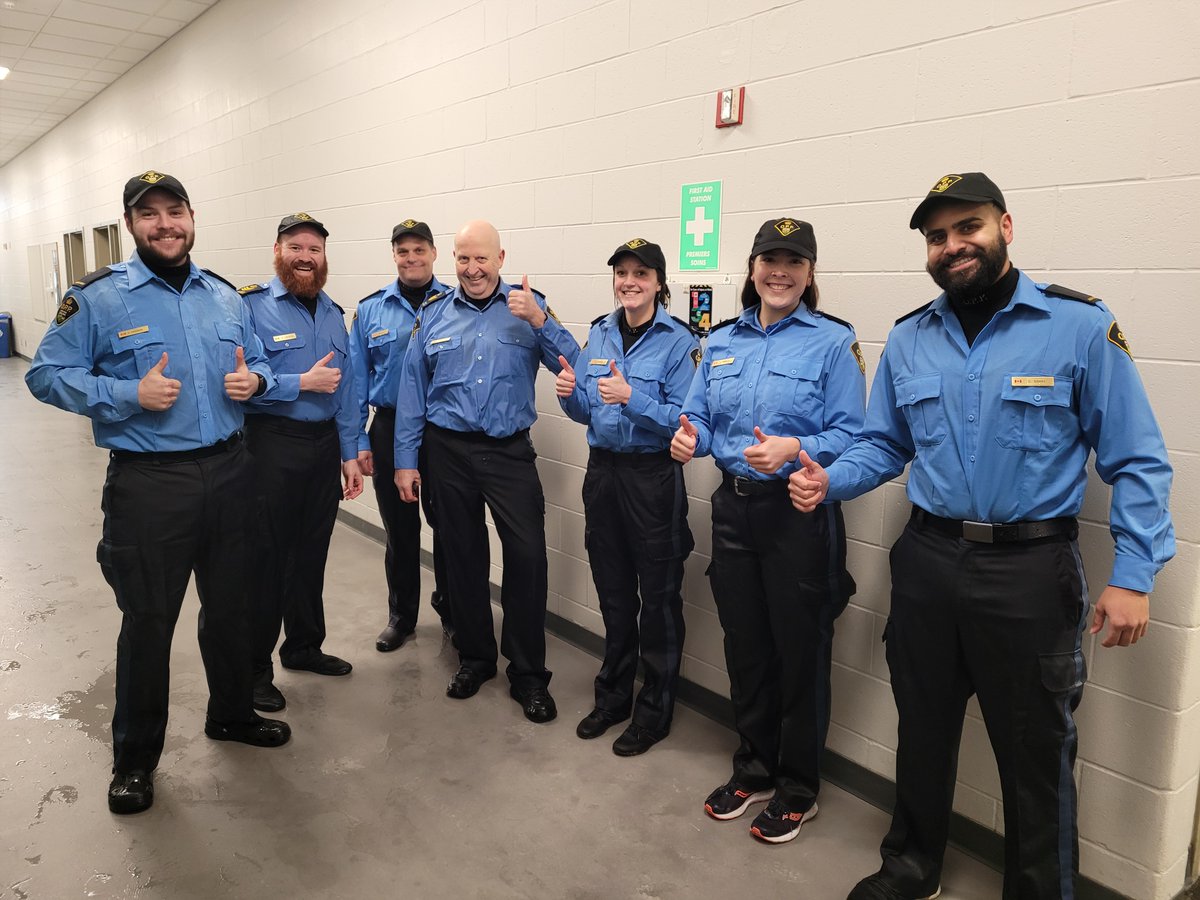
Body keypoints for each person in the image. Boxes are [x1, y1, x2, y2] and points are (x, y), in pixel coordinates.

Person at [788, 173, 1175, 900]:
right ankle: (910, 865)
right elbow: (882, 444)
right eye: (937, 236)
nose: (952, 245)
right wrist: (829, 480)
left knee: (1036, 751)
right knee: (922, 727)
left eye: (968, 227)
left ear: (1005, 226)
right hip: (928, 559)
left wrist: (1133, 573)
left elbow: (1139, 458)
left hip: (1030, 570)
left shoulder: (1079, 327)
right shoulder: (908, 339)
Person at [25, 170, 292, 816]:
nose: (165, 224)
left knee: (232, 610)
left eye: (175, 211)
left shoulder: (226, 297)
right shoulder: (99, 299)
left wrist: (254, 383)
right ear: (131, 226)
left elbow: (260, 362)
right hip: (150, 485)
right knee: (148, 623)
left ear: (193, 217)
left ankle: (230, 715)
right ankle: (136, 759)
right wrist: (126, 395)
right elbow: (44, 373)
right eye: (150, 215)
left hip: (231, 473)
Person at [671, 217, 865, 844]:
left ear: (810, 275)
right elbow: (698, 412)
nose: (779, 273)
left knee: (800, 651)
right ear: (752, 269)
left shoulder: (835, 343)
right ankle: (753, 767)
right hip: (733, 510)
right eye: (768, 261)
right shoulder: (722, 339)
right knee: (746, 643)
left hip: (798, 513)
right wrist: (688, 435)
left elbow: (853, 435)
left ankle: (799, 788)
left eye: (794, 263)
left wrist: (795, 447)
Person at [393, 220, 580, 723]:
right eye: (462, 259)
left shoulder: (528, 305)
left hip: (508, 452)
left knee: (527, 559)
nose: (472, 269)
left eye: (481, 259)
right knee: (462, 559)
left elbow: (575, 366)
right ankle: (475, 658)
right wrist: (406, 461)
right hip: (447, 450)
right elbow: (412, 392)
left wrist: (541, 321)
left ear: (500, 257)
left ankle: (528, 674)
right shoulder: (433, 315)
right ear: (452, 260)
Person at [556, 238, 699, 756]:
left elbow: (687, 420)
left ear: (660, 283)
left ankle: (654, 711)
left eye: (642, 273)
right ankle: (613, 696)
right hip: (604, 475)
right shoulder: (599, 333)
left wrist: (632, 398)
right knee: (614, 592)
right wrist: (572, 397)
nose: (630, 282)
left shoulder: (681, 343)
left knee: (658, 601)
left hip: (653, 477)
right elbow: (590, 412)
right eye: (622, 273)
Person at [238, 213, 364, 713]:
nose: (305, 256)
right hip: (271, 444)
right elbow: (243, 380)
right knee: (268, 560)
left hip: (323, 446)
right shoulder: (250, 307)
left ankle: (304, 647)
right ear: (277, 251)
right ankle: (253, 671)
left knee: (312, 553)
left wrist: (350, 454)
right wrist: (299, 384)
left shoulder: (334, 312)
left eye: (314, 248)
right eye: (295, 247)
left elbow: (350, 388)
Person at [348, 220, 454, 652]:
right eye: (402, 251)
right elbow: (355, 380)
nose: (411, 258)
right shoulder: (371, 309)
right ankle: (402, 616)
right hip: (390, 427)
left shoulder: (454, 302)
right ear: (394, 255)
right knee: (400, 530)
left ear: (433, 253)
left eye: (419, 250)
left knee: (450, 528)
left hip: (444, 431)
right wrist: (357, 439)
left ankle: (452, 611)